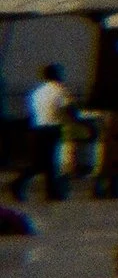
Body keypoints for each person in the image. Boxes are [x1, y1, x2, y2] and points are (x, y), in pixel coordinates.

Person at [12, 64, 84, 203]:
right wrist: (78, 119)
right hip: (52, 129)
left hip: (37, 128)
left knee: (40, 162)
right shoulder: (60, 90)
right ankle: (51, 192)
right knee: (51, 162)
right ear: (57, 75)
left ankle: (23, 184)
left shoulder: (37, 92)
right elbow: (70, 109)